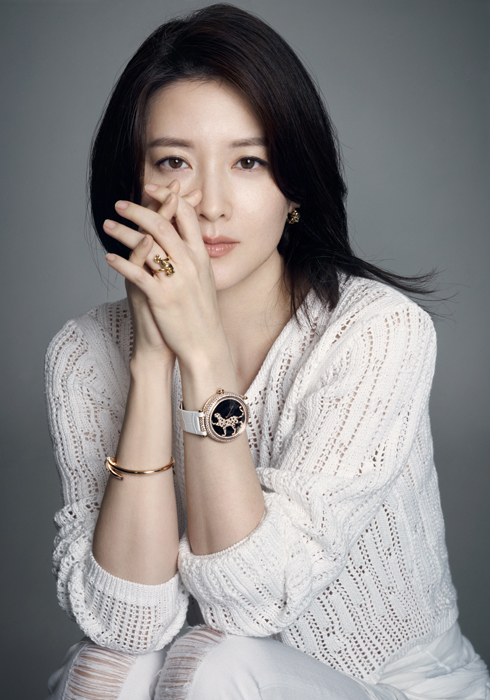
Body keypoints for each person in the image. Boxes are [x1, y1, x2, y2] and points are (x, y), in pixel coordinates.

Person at [44, 4, 489, 699]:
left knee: (215, 660)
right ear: (131, 188)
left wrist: (203, 357)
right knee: (108, 670)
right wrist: (152, 363)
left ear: (294, 189)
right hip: (204, 678)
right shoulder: (83, 354)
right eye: (173, 162)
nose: (211, 204)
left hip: (390, 687)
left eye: (249, 161)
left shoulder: (376, 332)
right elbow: (126, 624)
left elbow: (250, 607)